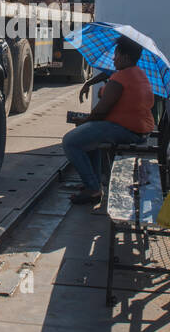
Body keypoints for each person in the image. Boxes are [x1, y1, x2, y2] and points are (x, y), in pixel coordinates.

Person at [62, 36, 155, 205]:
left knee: (70, 141)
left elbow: (100, 112)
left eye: (116, 54)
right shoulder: (137, 73)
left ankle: (93, 188)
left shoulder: (121, 79)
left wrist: (83, 121)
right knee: (88, 138)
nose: (113, 58)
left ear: (125, 57)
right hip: (139, 129)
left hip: (127, 131)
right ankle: (94, 183)